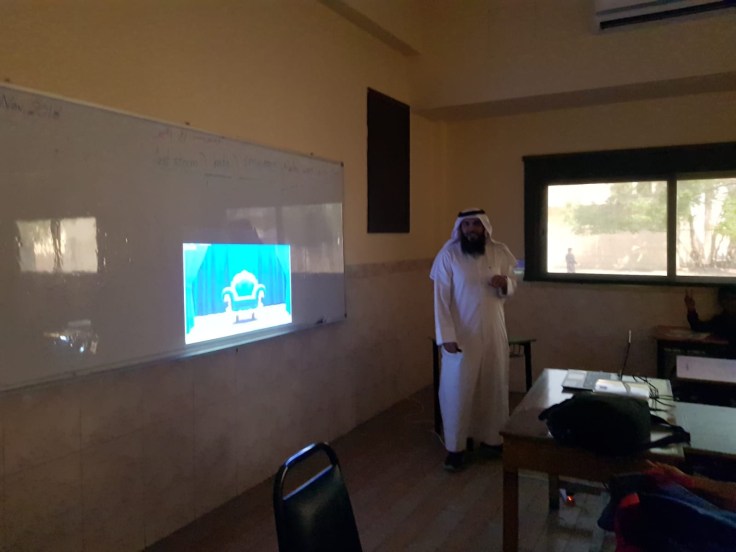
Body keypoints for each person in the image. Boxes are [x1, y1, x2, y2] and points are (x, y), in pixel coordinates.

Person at [430, 208, 517, 472]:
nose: (471, 229)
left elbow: (512, 282)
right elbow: (441, 301)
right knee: (458, 389)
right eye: (466, 224)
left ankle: (493, 440)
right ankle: (455, 449)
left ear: (484, 227)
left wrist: (505, 283)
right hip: (461, 336)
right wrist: (446, 337)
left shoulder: (499, 252)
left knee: (493, 385)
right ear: (460, 228)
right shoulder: (448, 255)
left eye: (476, 224)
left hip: (493, 331)